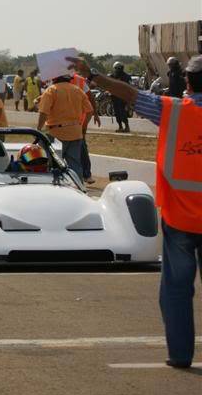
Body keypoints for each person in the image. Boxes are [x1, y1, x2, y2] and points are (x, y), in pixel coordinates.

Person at [72, 54, 202, 369]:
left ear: (186, 81)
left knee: (176, 290)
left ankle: (180, 354)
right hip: (180, 219)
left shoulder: (171, 110)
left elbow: (131, 95)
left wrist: (95, 78)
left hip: (180, 219)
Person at [36, 73, 93, 178]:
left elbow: (43, 112)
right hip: (76, 132)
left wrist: (38, 129)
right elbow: (89, 111)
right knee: (75, 165)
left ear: (55, 78)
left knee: (54, 164)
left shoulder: (51, 90)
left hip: (55, 134)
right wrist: (83, 126)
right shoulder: (78, 90)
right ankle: (78, 187)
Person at [109, 62, 132, 132]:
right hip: (115, 97)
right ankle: (120, 127)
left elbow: (129, 87)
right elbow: (109, 85)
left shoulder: (126, 76)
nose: (117, 69)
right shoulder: (112, 76)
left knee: (122, 112)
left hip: (122, 97)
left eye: (119, 68)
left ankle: (127, 127)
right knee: (117, 113)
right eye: (116, 68)